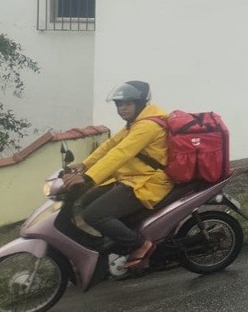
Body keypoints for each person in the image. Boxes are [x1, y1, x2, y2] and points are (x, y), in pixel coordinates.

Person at [62, 81, 172, 270]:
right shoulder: (135, 123)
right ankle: (118, 245)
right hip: (133, 178)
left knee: (93, 214)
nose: (122, 108)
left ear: (139, 103)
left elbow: (121, 153)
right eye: (119, 104)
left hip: (148, 181)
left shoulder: (147, 126)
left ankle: (140, 244)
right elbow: (110, 145)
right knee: (87, 201)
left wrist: (88, 177)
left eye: (127, 103)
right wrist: (85, 164)